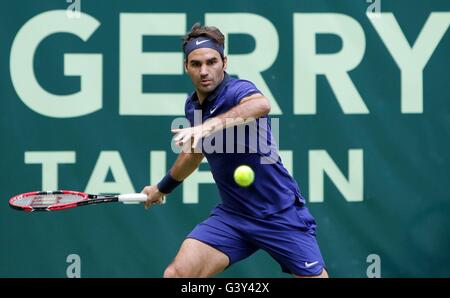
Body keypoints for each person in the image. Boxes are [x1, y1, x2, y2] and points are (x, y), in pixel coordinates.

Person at [141, 23, 328, 278]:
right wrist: (161, 188)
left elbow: (261, 105)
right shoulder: (192, 106)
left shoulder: (238, 91)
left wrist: (209, 126)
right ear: (186, 67)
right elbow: (194, 154)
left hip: (279, 213)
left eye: (211, 62)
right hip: (233, 216)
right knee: (177, 275)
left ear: (224, 62)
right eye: (196, 64)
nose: (204, 71)